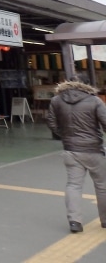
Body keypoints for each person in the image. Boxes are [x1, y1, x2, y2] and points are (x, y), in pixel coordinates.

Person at [46, 75, 106, 233]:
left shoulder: (56, 100)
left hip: (70, 150)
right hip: (93, 149)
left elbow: (51, 122)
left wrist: (64, 136)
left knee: (73, 185)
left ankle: (75, 221)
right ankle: (105, 220)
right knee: (102, 186)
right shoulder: (95, 100)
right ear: (86, 84)